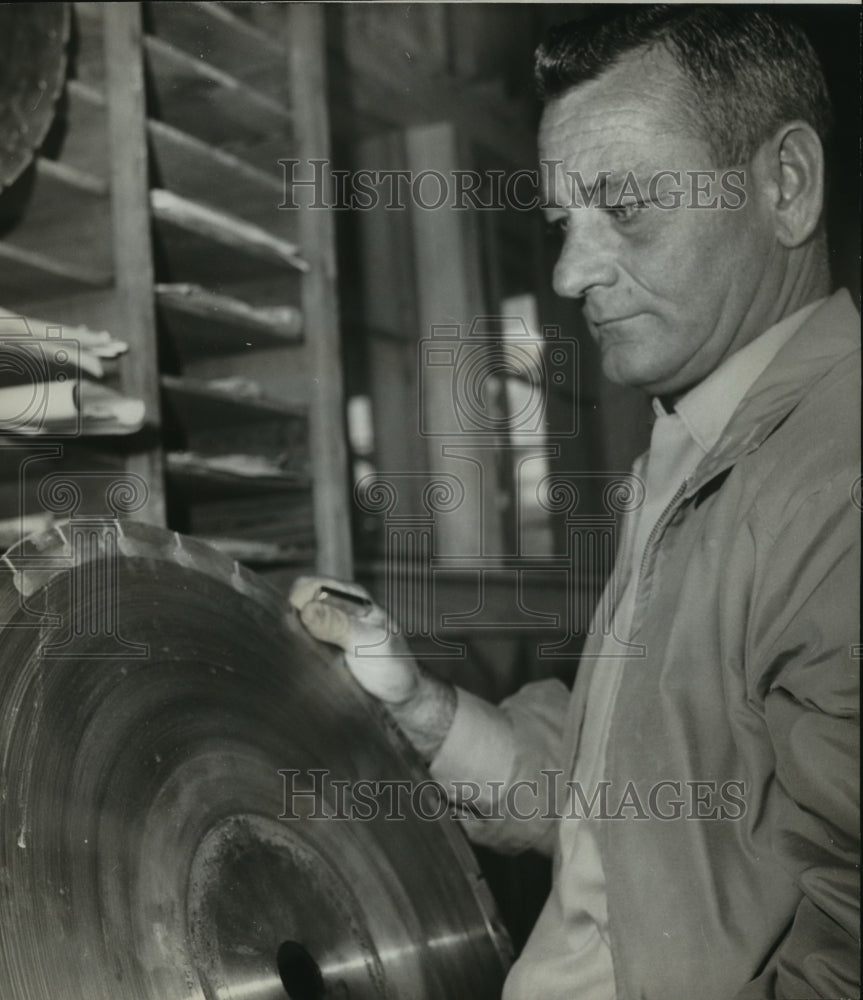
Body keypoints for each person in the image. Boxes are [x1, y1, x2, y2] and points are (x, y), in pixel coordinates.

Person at [290, 8, 860, 999]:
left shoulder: (834, 483)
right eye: (561, 225)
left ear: (785, 184)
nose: (565, 273)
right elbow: (614, 798)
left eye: (626, 207)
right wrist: (424, 714)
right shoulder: (699, 436)